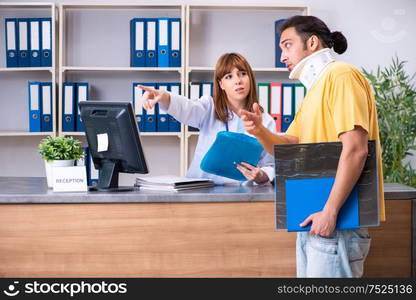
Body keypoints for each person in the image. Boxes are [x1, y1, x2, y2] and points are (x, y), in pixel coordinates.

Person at [240, 16, 385, 277]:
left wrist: (330, 212)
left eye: (287, 45)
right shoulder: (314, 90)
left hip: (337, 221)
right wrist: (259, 130)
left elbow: (356, 149)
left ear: (313, 42)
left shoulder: (341, 76)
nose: (282, 56)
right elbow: (288, 146)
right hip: (314, 219)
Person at [139, 52, 277, 185]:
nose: (238, 81)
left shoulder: (265, 121)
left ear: (250, 79)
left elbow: (270, 164)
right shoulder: (209, 107)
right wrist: (163, 96)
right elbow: (186, 108)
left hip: (241, 194)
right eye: (229, 77)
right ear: (221, 84)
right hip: (201, 190)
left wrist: (261, 176)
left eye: (243, 74)